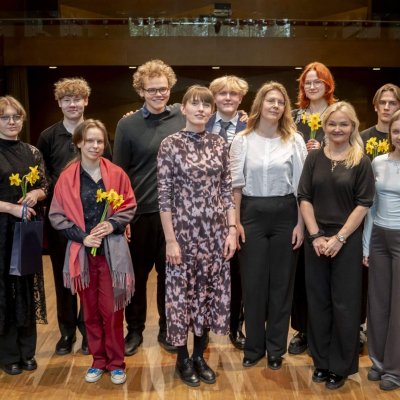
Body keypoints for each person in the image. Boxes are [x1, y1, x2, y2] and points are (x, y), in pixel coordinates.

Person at [157, 85, 236, 387]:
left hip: (215, 235)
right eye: (195, 104)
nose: (201, 109)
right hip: (183, 235)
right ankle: (182, 359)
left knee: (207, 295)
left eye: (206, 105)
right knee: (182, 297)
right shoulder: (170, 144)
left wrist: (231, 229)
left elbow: (227, 190)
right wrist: (170, 240)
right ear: (184, 109)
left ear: (211, 110)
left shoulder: (219, 143)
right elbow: (164, 196)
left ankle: (200, 356)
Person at [49, 119, 136, 384]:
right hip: (83, 253)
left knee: (112, 311)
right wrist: (83, 237)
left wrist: (112, 224)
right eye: (90, 141)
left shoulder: (117, 174)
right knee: (90, 311)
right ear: (78, 143)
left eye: (100, 141)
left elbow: (129, 206)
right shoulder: (67, 177)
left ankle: (116, 363)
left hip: (111, 254)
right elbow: (57, 215)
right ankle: (98, 361)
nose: (95, 146)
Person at [298, 101, 375, 390]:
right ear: (324, 126)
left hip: (347, 240)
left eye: (343, 124)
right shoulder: (314, 158)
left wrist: (340, 238)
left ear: (353, 126)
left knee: (345, 304)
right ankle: (321, 361)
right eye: (332, 124)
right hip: (316, 240)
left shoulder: (361, 161)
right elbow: (304, 197)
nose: (337, 129)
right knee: (318, 301)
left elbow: (364, 203)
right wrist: (316, 236)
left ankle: (340, 366)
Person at [230, 81, 307, 370]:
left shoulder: (294, 140)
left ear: (285, 108)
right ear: (259, 104)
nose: (275, 105)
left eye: (280, 101)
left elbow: (302, 188)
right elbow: (235, 186)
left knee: (282, 285)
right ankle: (254, 347)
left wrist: (300, 224)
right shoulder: (242, 140)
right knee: (253, 284)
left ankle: (276, 348)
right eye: (270, 100)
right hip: (251, 213)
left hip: (286, 213)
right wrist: (236, 223)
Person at [113, 59, 185, 356]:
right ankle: (135, 330)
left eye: (163, 89)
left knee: (170, 276)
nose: (158, 94)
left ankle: (168, 329)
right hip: (139, 214)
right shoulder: (127, 124)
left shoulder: (182, 116)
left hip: (175, 215)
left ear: (170, 88)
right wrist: (121, 218)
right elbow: (118, 173)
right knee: (137, 277)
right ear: (141, 91)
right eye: (152, 89)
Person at [37, 77, 111, 356]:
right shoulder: (48, 137)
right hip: (62, 221)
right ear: (59, 103)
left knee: (90, 277)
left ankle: (87, 330)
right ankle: (66, 331)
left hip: (93, 221)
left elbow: (110, 171)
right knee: (64, 276)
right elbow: (42, 175)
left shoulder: (97, 133)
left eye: (77, 99)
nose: (72, 104)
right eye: (66, 100)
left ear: (86, 101)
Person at [289, 62, 337, 355]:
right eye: (307, 82)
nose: (312, 86)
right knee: (302, 272)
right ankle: (303, 329)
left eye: (317, 81)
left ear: (327, 84)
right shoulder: (293, 117)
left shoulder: (338, 114)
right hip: (299, 200)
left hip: (331, 199)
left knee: (332, 270)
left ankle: (334, 329)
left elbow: (353, 150)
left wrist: (324, 152)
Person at [0, 96, 47, 375]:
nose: (11, 121)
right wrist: (11, 208)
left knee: (26, 286)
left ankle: (27, 351)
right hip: (2, 230)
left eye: (16, 116)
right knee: (4, 289)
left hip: (26, 230)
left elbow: (44, 185)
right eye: (5, 117)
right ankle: (8, 353)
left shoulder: (32, 152)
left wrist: (37, 193)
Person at [206, 75, 248, 350]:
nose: (228, 98)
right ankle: (203, 328)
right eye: (222, 93)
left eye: (234, 94)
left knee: (237, 273)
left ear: (241, 98)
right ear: (214, 98)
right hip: (205, 210)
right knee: (205, 271)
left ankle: (235, 326)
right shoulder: (201, 121)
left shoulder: (251, 126)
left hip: (239, 206)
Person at [359, 83, 400, 351]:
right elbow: (371, 206)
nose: (386, 107)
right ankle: (377, 358)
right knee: (378, 300)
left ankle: (394, 364)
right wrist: (366, 245)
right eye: (396, 132)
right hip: (377, 236)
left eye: (392, 103)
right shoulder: (377, 160)